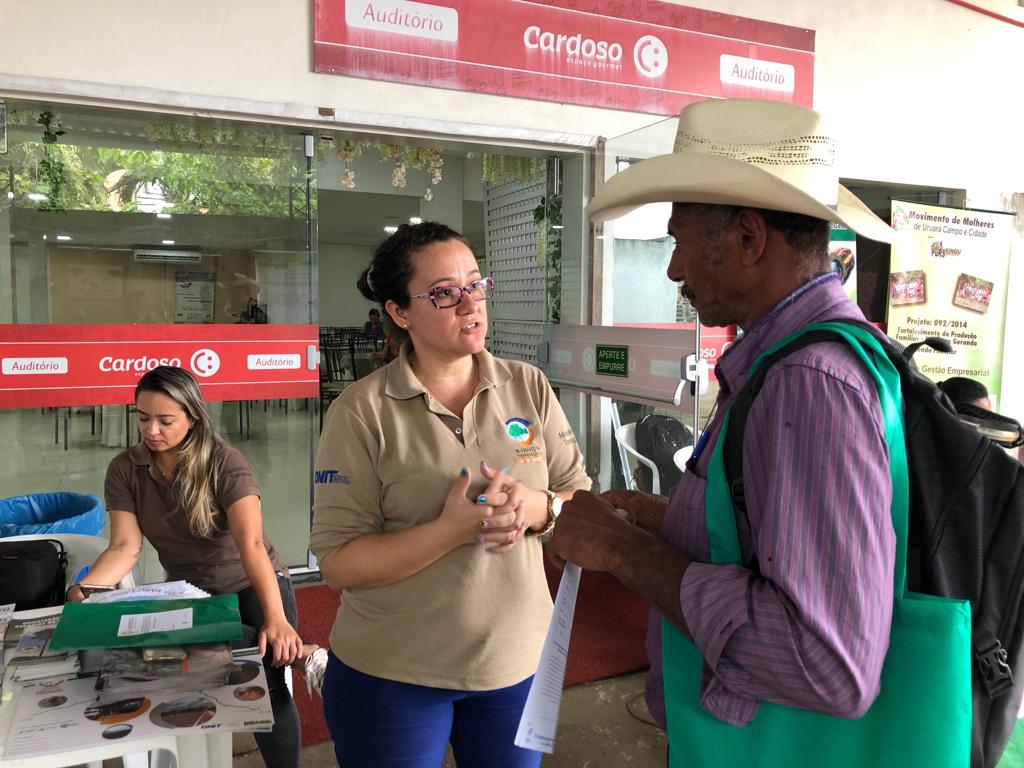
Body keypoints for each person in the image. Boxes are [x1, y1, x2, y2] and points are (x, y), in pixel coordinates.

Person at [548, 100, 901, 761]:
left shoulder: (809, 380)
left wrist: (624, 553)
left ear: (747, 237)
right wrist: (669, 518)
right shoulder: (810, 359)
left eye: (679, 241)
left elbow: (825, 662)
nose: (674, 271)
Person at [309, 221, 591, 768]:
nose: (469, 305)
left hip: (515, 663)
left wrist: (535, 509)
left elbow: (579, 499)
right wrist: (449, 530)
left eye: (474, 285)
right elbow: (339, 563)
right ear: (399, 312)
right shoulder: (361, 411)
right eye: (443, 293)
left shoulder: (527, 386)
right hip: (393, 670)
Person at [66, 366, 318, 768]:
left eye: (165, 421)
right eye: (143, 418)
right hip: (191, 592)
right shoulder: (125, 469)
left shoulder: (225, 463)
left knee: (268, 685)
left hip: (253, 582)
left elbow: (251, 543)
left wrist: (276, 617)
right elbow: (126, 547)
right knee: (212, 659)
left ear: (193, 418)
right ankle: (299, 653)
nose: (151, 431)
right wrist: (83, 592)